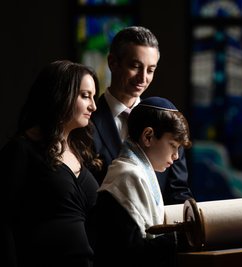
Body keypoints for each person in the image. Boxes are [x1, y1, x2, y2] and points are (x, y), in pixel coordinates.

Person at [1, 60, 101, 267]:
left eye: (93, 96)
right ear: (61, 95)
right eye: (85, 96)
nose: (93, 105)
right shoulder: (21, 150)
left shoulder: (80, 152)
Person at [91, 25, 193, 204]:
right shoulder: (88, 121)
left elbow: (178, 191)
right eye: (135, 66)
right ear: (113, 63)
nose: (143, 78)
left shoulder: (167, 120)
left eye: (150, 70)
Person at [93, 96, 192, 267]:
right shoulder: (126, 176)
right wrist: (178, 238)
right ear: (148, 136)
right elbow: (131, 253)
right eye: (173, 145)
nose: (176, 156)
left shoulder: (140, 172)